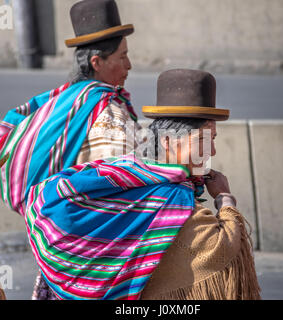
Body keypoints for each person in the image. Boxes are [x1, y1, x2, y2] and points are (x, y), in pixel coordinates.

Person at [22, 69, 261, 300]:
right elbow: (226, 252)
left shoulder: (127, 171)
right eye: (202, 140)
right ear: (169, 142)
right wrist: (224, 198)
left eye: (213, 140)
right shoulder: (177, 206)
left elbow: (48, 196)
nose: (212, 150)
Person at [0, 0, 141, 300]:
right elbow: (121, 179)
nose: (129, 65)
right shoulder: (107, 110)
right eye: (123, 56)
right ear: (96, 63)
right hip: (92, 249)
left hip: (54, 242)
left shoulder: (59, 102)